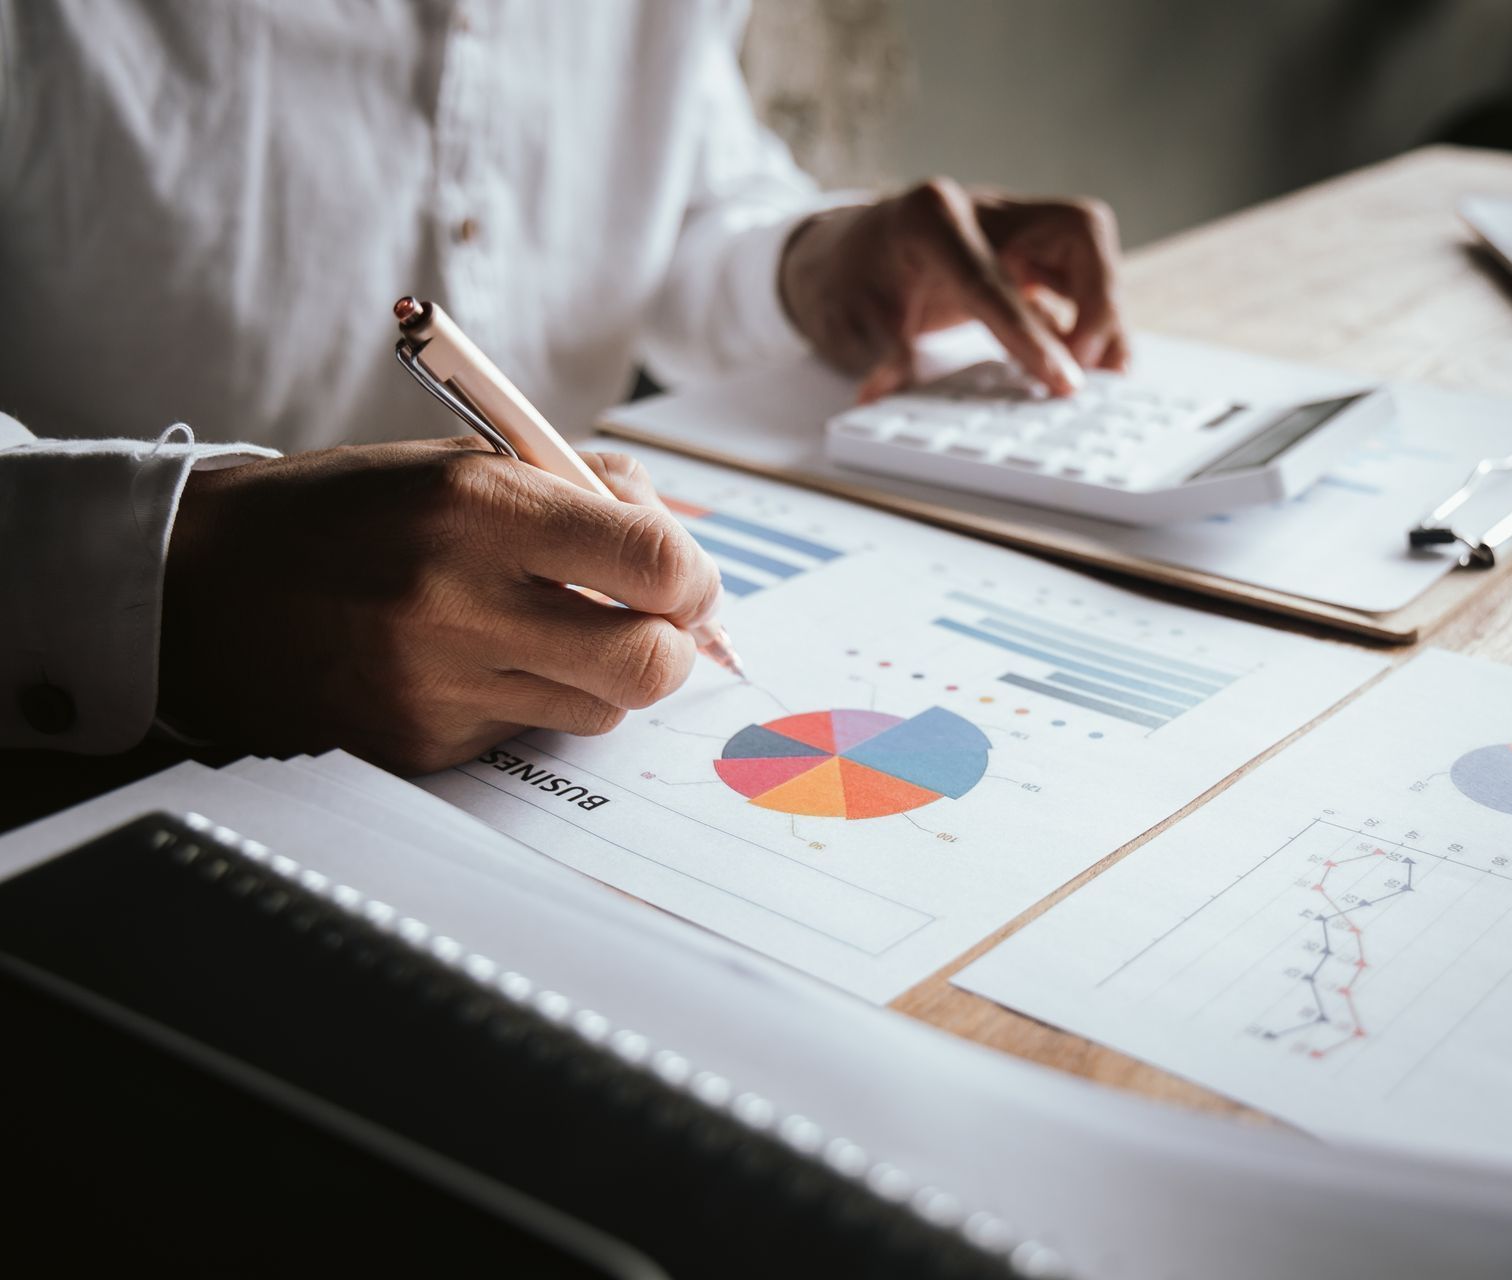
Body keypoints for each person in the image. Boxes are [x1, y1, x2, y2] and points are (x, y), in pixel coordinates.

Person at [0, 0, 1127, 771]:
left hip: (528, 737)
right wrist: (184, 580)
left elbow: (681, 191)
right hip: (108, 768)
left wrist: (810, 266)